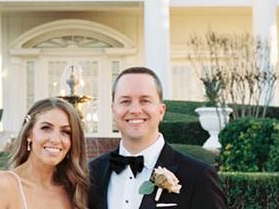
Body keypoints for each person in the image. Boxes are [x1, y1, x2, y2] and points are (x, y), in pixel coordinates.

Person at [89, 66, 228, 209]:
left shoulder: (198, 176)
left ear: (161, 111)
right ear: (113, 110)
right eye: (125, 101)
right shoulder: (91, 173)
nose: (135, 110)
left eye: (145, 100)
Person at [0, 97, 90, 209]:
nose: (55, 139)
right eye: (46, 128)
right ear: (29, 133)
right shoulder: (3, 184)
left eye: (66, 132)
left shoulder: (75, 192)